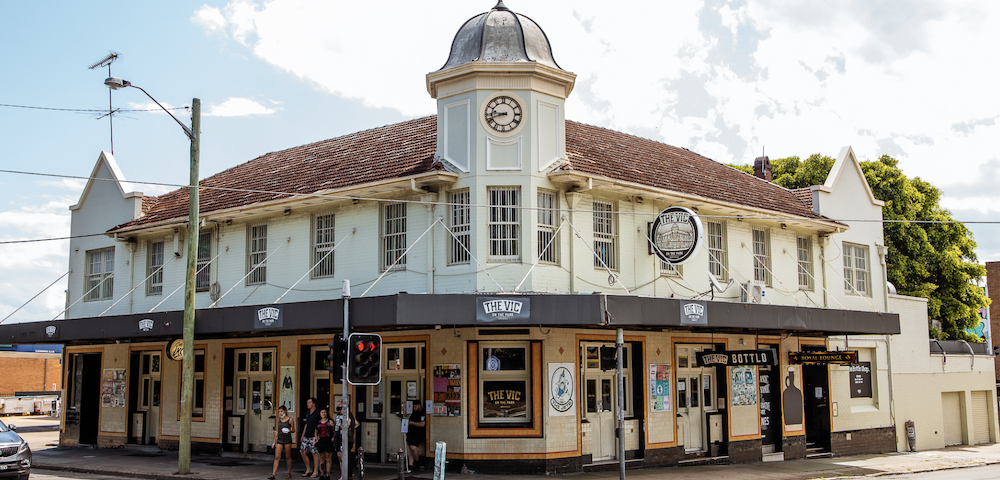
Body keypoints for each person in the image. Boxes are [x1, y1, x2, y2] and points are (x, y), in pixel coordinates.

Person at [334, 400, 360, 476]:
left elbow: (353, 424)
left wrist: (349, 430)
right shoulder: (339, 415)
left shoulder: (348, 416)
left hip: (345, 439)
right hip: (338, 437)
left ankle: (347, 473)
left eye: (339, 405)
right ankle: (343, 474)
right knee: (340, 456)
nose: (338, 407)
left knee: (345, 456)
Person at [270, 405, 296, 480]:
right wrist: (274, 442)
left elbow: (293, 430)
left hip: (287, 439)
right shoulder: (278, 420)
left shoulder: (290, 420)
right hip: (280, 439)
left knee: (288, 456)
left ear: (285, 411)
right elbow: (276, 431)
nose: (280, 413)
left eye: (281, 411)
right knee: (277, 457)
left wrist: (289, 430)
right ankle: (273, 474)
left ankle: (289, 473)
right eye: (279, 412)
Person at [300, 397, 321, 477]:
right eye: (307, 402)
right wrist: (302, 435)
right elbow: (306, 424)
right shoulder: (308, 412)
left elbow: (320, 424)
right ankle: (308, 469)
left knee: (314, 453)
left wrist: (318, 436)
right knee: (302, 451)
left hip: (314, 435)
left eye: (309, 402)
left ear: (314, 403)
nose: (308, 404)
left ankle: (316, 471)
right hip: (307, 435)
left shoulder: (318, 412)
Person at [315, 408, 335, 480]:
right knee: (321, 458)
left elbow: (335, 430)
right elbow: (315, 432)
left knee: (328, 457)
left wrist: (333, 438)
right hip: (321, 441)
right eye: (322, 412)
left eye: (324, 412)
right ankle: (322, 474)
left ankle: (328, 474)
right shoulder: (318, 422)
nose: (323, 413)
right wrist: (317, 439)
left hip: (328, 440)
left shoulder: (330, 422)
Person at [406, 401, 426, 472]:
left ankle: (417, 461)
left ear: (419, 405)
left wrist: (412, 423)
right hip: (411, 433)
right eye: (413, 407)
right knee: (411, 449)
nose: (414, 408)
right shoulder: (413, 413)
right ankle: (410, 465)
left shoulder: (422, 413)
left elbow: (422, 424)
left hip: (419, 433)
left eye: (415, 407)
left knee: (413, 447)